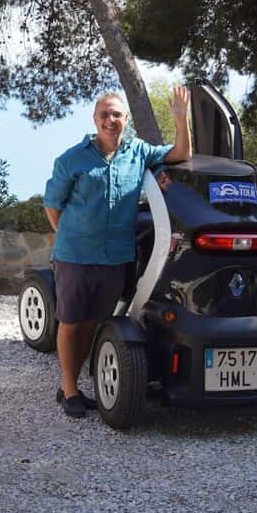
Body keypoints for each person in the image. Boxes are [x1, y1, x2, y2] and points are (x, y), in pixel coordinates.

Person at [43, 87, 191, 419]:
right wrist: (70, 237)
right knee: (70, 323)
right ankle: (69, 389)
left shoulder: (139, 152)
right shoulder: (70, 160)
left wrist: (181, 119)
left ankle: (72, 385)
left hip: (115, 259)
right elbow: (52, 206)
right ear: (95, 119)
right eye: (104, 114)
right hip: (75, 257)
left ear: (126, 119)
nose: (110, 120)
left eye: (116, 114)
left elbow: (182, 153)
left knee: (91, 324)